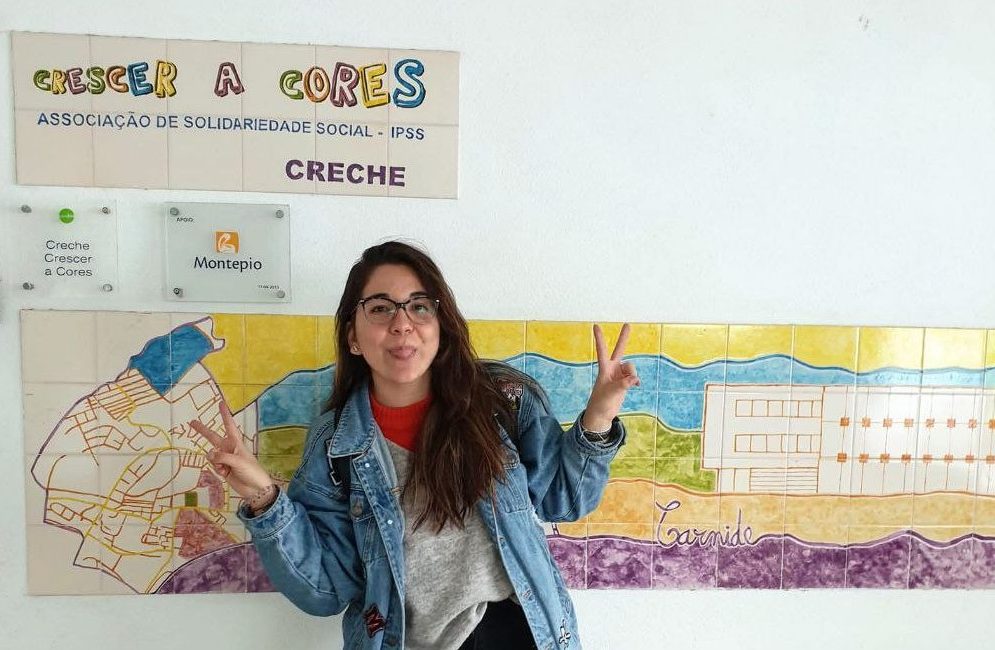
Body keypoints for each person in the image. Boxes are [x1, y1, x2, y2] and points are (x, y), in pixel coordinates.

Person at [190, 241, 639, 650]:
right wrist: (264, 499)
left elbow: (564, 500)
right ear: (353, 336)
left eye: (419, 307)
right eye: (380, 308)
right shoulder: (335, 443)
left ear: (440, 325)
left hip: (519, 633)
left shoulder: (503, 399)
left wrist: (600, 414)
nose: (402, 324)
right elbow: (325, 590)